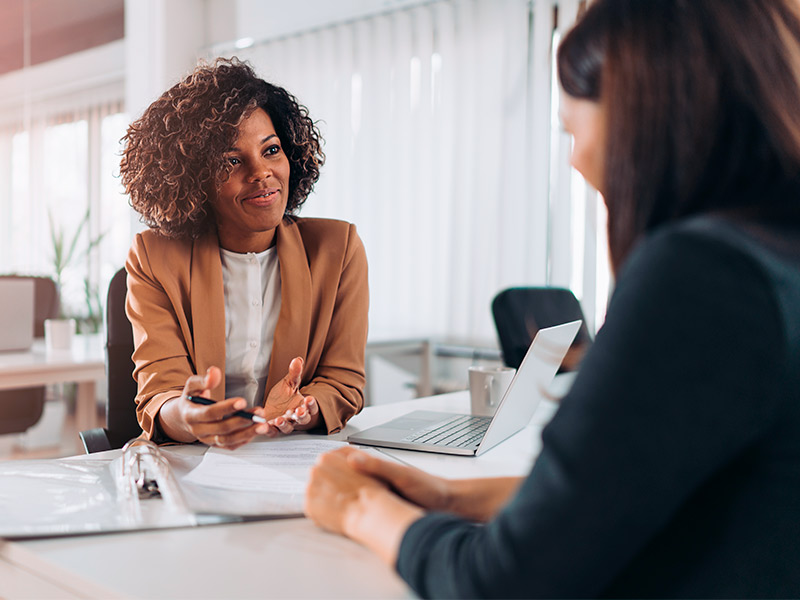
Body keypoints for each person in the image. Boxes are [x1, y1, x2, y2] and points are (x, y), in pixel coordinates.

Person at [304, 0, 800, 596]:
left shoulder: (704, 276)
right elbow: (628, 493)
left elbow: (506, 582)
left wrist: (360, 510)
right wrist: (447, 496)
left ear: (640, 116)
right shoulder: (772, 256)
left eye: (571, 130)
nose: (576, 161)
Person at [120, 58, 368, 450]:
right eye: (232, 161)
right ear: (194, 178)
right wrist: (191, 417)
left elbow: (344, 380)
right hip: (192, 462)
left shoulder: (337, 249)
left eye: (271, 150)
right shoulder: (154, 257)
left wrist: (306, 408)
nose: (261, 172)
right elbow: (160, 393)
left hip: (295, 460)